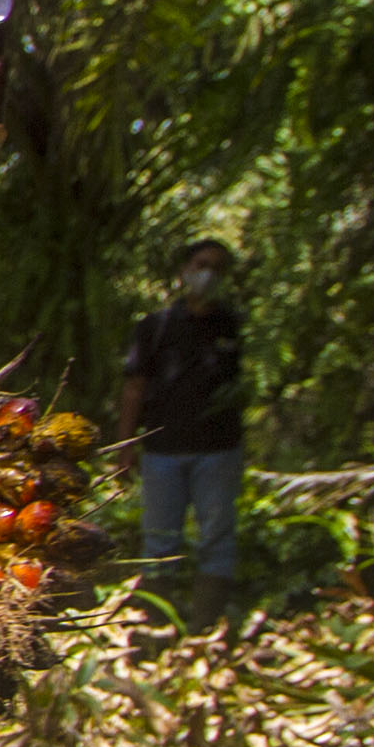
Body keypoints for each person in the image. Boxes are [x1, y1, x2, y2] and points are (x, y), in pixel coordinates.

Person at [118, 241, 247, 626]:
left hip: (219, 451)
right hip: (162, 451)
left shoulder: (235, 326)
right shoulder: (155, 327)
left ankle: (206, 628)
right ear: (185, 270)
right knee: (159, 541)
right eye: (201, 264)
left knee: (217, 538)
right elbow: (133, 388)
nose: (208, 274)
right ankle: (155, 627)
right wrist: (126, 447)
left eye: (218, 268)